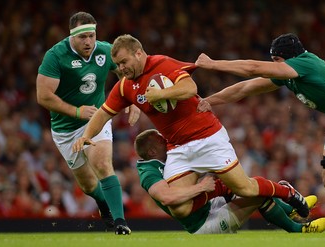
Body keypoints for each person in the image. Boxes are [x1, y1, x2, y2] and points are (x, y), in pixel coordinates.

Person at [72, 34, 310, 220]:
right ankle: (217, 188)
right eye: (117, 64)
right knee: (180, 208)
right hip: (177, 147)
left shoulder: (162, 64)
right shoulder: (125, 87)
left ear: (139, 53)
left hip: (207, 137)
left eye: (124, 62)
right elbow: (103, 113)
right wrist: (86, 136)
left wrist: (160, 94)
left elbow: (190, 89)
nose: (121, 68)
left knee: (246, 189)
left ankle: (286, 191)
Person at [194, 32, 325, 227]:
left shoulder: (305, 63)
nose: (273, 65)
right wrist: (208, 101)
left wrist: (213, 64)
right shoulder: (289, 76)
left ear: (289, 58)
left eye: (276, 60)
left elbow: (253, 68)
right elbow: (244, 88)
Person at [36, 12, 138, 235]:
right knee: (88, 185)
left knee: (102, 164)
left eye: (91, 36)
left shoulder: (104, 50)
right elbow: (43, 96)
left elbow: (130, 70)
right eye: (82, 37)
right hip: (65, 129)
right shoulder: (55, 56)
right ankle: (103, 204)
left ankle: (120, 222)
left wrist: (133, 96)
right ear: (71, 36)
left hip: (97, 118)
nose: (88, 42)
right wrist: (76, 111)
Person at [133, 129, 325, 233]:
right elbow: (167, 198)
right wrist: (201, 187)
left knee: (243, 185)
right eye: (162, 141)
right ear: (152, 151)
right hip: (202, 224)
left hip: (206, 206)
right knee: (257, 197)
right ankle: (299, 228)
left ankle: (290, 208)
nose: (167, 143)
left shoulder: (168, 160)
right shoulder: (149, 172)